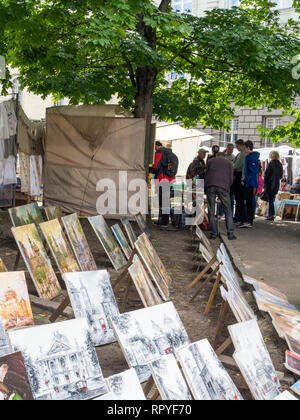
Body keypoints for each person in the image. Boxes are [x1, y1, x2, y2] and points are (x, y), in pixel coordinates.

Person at [205, 152, 236, 240]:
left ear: (216, 155)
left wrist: (205, 187)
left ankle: (213, 233)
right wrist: (227, 187)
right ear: (225, 156)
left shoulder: (210, 161)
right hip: (223, 186)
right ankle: (230, 233)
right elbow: (231, 178)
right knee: (228, 210)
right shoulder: (229, 163)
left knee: (211, 210)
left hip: (210, 186)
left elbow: (206, 174)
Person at [151, 141, 177, 229]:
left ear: (156, 146)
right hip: (170, 180)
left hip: (162, 179)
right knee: (166, 200)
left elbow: (156, 166)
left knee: (162, 201)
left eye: (154, 146)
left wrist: (149, 168)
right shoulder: (170, 153)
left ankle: (163, 222)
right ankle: (163, 221)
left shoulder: (159, 153)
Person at [239, 140, 260, 228]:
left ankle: (246, 221)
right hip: (252, 183)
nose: (243, 149)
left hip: (249, 183)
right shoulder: (254, 157)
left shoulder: (250, 157)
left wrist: (245, 180)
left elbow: (252, 171)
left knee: (243, 201)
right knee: (249, 202)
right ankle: (248, 221)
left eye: (244, 148)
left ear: (248, 148)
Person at [264, 151, 283, 221]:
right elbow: (281, 176)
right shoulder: (280, 164)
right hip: (276, 184)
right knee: (272, 200)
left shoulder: (270, 163)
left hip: (270, 184)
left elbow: (266, 175)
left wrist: (265, 183)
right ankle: (271, 214)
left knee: (270, 200)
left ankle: (271, 215)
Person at [233, 139, 247, 223]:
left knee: (239, 199)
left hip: (239, 177)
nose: (236, 148)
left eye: (237, 146)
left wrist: (232, 165)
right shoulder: (240, 154)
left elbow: (237, 166)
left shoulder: (242, 154)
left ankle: (239, 217)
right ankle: (238, 216)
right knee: (239, 199)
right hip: (240, 177)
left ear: (241, 145)